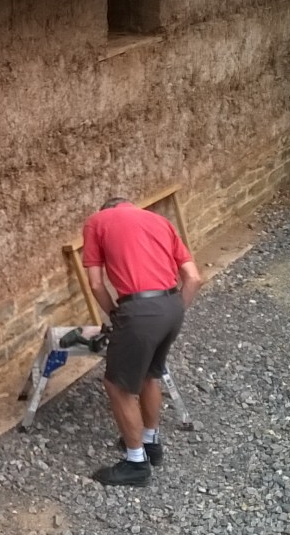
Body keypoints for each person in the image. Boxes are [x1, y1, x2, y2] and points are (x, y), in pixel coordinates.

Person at [83, 197, 202, 487]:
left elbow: (96, 283)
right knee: (151, 374)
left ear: (107, 209)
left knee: (117, 385)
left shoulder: (98, 221)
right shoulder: (161, 221)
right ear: (130, 205)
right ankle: (151, 442)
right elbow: (193, 278)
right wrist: (174, 311)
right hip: (172, 305)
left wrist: (115, 314)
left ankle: (136, 463)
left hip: (138, 309)